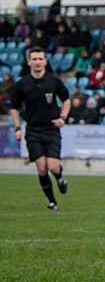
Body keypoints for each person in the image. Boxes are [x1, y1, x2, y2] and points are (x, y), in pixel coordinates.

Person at [9, 47, 70, 211]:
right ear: (29, 62)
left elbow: (67, 100)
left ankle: (60, 176)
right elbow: (14, 108)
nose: (37, 62)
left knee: (53, 166)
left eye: (40, 59)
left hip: (51, 129)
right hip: (33, 130)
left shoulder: (54, 81)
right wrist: (17, 128)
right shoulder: (22, 84)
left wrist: (62, 118)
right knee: (41, 167)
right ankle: (52, 201)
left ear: (45, 61)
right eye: (34, 59)